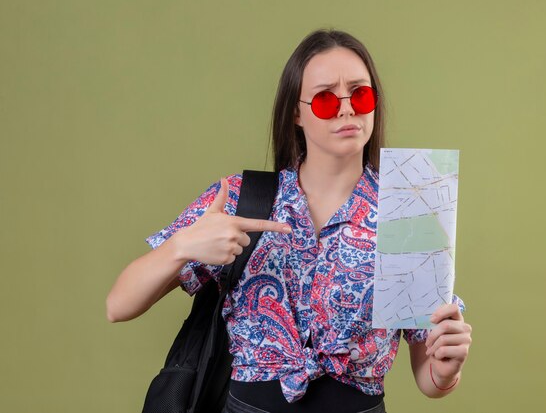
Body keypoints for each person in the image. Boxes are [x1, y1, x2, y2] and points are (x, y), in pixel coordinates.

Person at [107, 29, 472, 413]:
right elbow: (119, 305)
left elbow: (428, 378)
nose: (347, 109)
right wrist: (181, 248)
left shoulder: (409, 210)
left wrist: (446, 371)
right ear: (296, 112)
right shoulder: (238, 200)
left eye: (360, 94)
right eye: (327, 98)